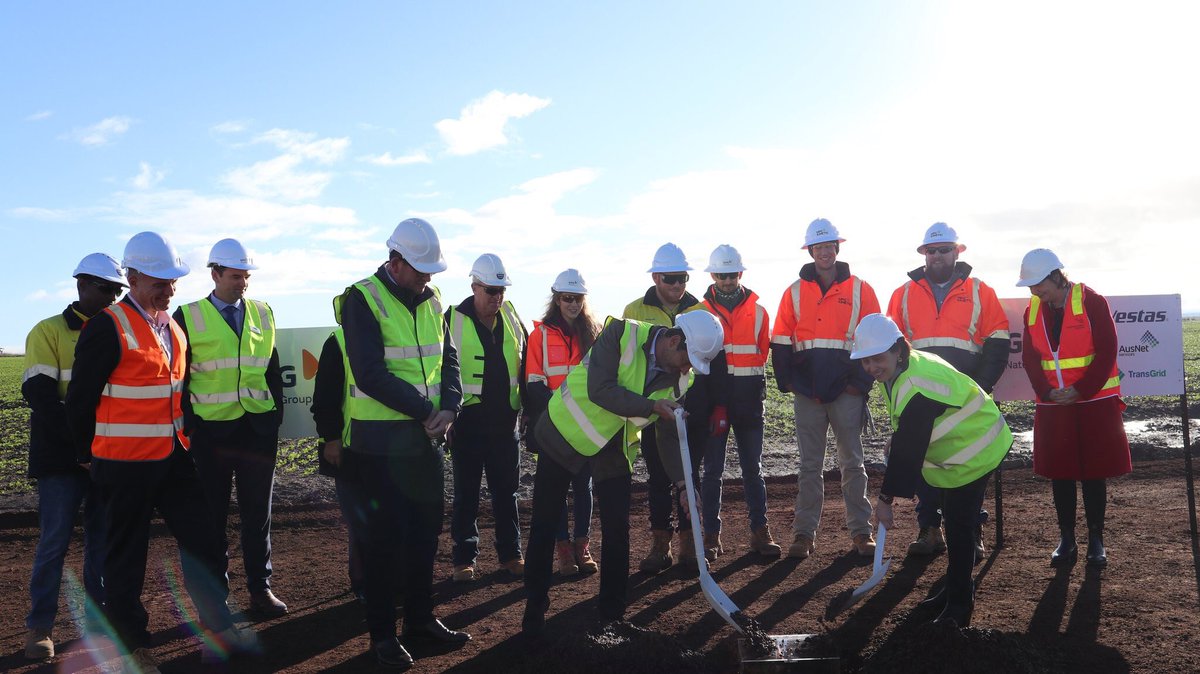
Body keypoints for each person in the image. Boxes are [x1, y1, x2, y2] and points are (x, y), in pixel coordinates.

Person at [65, 232, 255, 672]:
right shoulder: (108, 326)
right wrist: (87, 455)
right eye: (159, 281)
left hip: (172, 459)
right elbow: (79, 400)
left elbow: (177, 392)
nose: (169, 289)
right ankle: (134, 648)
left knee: (206, 541)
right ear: (131, 277)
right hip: (122, 464)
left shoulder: (172, 327)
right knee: (125, 559)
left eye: (172, 281)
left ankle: (217, 628)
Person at [522, 311, 726, 636]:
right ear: (674, 341)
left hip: (614, 447)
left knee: (618, 528)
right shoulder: (621, 333)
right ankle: (534, 610)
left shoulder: (680, 380)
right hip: (564, 431)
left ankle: (612, 617)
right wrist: (650, 407)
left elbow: (668, 436)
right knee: (546, 522)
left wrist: (683, 484)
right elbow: (599, 390)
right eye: (689, 360)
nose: (689, 370)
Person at [340, 218, 469, 670]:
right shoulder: (361, 298)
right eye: (420, 269)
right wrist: (426, 412)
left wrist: (451, 407)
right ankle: (382, 636)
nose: (429, 277)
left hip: (424, 444)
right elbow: (369, 372)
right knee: (381, 545)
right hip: (377, 447)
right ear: (395, 262)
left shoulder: (432, 300)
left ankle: (420, 621)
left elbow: (449, 360)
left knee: (424, 537)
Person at [855, 313, 1012, 628]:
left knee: (958, 526)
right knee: (957, 524)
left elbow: (910, 451)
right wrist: (898, 437)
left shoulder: (914, 381)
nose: (871, 368)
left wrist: (885, 500)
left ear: (898, 349)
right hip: (965, 446)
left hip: (977, 447)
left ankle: (958, 607)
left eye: (877, 359)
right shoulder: (904, 367)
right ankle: (953, 592)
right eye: (865, 361)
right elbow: (912, 426)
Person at [174, 238, 287, 617]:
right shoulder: (187, 316)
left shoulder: (263, 312)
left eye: (246, 276)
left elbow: (272, 370)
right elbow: (179, 378)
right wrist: (190, 428)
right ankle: (217, 601)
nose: (243, 283)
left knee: (258, 517)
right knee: (212, 521)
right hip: (210, 435)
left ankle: (260, 590)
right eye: (236, 276)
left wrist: (274, 418)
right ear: (215, 273)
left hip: (257, 431)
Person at [886, 223, 1010, 560]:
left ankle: (972, 530)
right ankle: (929, 528)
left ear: (958, 252)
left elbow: (997, 345)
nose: (938, 255)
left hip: (965, 398)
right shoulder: (902, 294)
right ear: (924, 254)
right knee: (924, 460)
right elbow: (890, 350)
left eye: (944, 249)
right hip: (919, 396)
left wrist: (978, 390)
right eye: (932, 250)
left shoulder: (981, 291)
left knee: (969, 463)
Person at [21, 253, 122, 660]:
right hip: (62, 458)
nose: (113, 296)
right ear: (82, 285)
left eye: (117, 290)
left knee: (102, 544)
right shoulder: (47, 331)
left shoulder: (118, 330)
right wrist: (82, 448)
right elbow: (41, 395)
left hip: (105, 454)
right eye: (106, 288)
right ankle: (39, 627)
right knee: (54, 543)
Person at [771, 218, 881, 560]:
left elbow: (876, 337)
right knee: (809, 466)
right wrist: (789, 383)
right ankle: (804, 535)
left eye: (829, 246)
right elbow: (780, 339)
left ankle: (861, 533)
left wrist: (859, 385)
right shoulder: (793, 291)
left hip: (847, 390)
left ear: (838, 248)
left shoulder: (861, 289)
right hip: (808, 391)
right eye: (818, 247)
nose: (824, 252)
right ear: (810, 250)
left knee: (852, 463)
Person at [1017, 249, 1130, 568]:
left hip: (1093, 401)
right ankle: (1066, 539)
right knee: (1061, 473)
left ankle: (1097, 539)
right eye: (1030, 287)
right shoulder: (1033, 310)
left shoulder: (1093, 301)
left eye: (1039, 284)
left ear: (1056, 276)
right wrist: (1047, 392)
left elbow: (1108, 351)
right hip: (1053, 404)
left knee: (1094, 473)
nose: (1035, 291)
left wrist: (1080, 391)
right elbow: (1029, 357)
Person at [622, 242, 708, 572]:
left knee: (689, 475)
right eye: (670, 278)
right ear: (656, 277)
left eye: (682, 278)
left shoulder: (701, 311)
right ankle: (661, 545)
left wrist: (711, 407)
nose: (676, 285)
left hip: (692, 405)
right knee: (658, 475)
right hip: (652, 407)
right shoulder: (634, 310)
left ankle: (691, 545)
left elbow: (713, 361)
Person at [446, 254, 528, 583]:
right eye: (491, 290)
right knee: (466, 493)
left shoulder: (510, 316)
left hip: (505, 420)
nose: (497, 297)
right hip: (467, 422)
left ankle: (511, 554)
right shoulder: (451, 318)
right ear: (474, 286)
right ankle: (464, 559)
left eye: (501, 290)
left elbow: (527, 363)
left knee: (507, 492)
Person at [696, 244, 781, 560]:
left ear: (740, 273)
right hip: (715, 402)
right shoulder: (700, 312)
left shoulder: (759, 312)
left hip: (748, 400)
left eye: (732, 275)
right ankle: (710, 537)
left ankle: (760, 532)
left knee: (752, 470)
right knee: (712, 472)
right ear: (713, 275)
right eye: (722, 275)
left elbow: (761, 354)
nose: (727, 280)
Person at [524, 269, 602, 576]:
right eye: (567, 298)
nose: (572, 304)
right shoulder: (539, 336)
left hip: (585, 426)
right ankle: (564, 550)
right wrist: (564, 411)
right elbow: (534, 383)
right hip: (555, 428)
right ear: (557, 299)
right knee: (556, 490)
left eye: (578, 298)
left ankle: (582, 545)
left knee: (584, 487)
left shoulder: (593, 334)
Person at [310, 309, 368, 603]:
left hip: (388, 448)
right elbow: (325, 398)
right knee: (361, 521)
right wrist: (331, 439)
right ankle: (362, 583)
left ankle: (388, 579)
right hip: (350, 449)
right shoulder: (339, 342)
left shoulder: (397, 340)